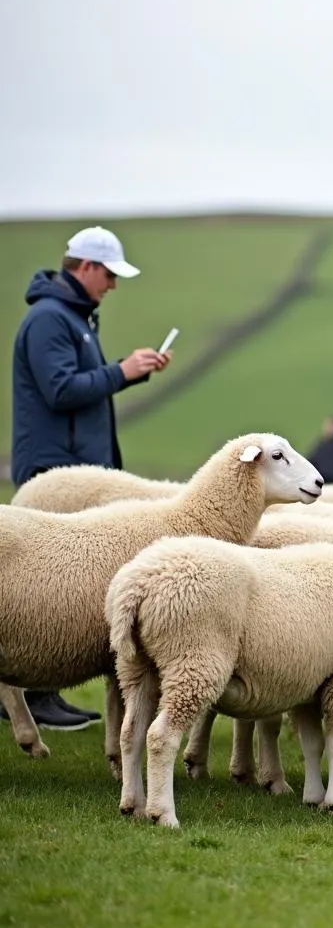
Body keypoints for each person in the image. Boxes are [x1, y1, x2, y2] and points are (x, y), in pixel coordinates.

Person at [7, 225, 172, 731]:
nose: (113, 286)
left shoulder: (73, 319)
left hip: (72, 460)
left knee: (55, 583)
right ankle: (35, 685)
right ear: (86, 267)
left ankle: (40, 690)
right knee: (37, 585)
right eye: (110, 275)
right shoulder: (50, 320)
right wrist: (121, 372)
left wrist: (130, 372)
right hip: (53, 467)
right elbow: (60, 390)